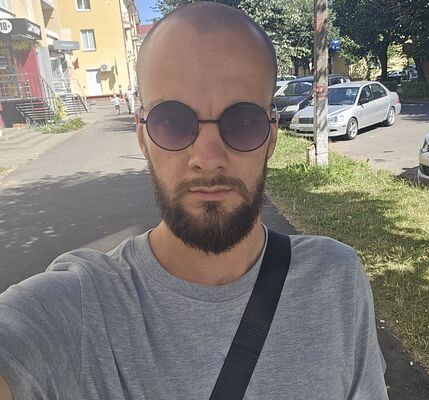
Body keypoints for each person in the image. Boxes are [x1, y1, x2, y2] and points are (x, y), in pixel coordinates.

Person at [0, 3, 388, 399]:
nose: (208, 158)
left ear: (271, 136)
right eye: (172, 121)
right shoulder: (79, 306)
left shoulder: (336, 281)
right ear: (143, 138)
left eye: (243, 121)